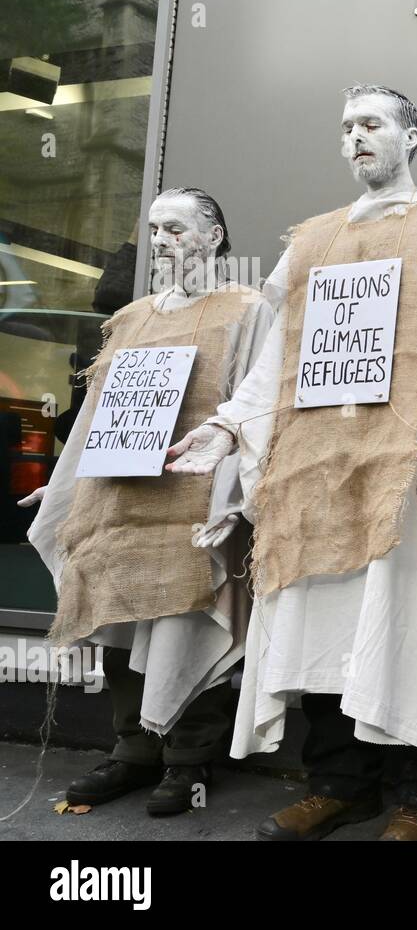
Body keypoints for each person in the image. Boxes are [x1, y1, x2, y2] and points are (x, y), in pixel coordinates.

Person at [166, 84, 417, 841]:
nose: (357, 136)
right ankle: (338, 783)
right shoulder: (313, 241)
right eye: (347, 126)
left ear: (410, 137)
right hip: (316, 464)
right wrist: (227, 428)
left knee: (403, 620)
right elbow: (279, 356)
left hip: (403, 463)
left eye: (374, 123)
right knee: (322, 618)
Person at [24, 187, 272, 816]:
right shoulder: (131, 318)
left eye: (176, 228)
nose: (161, 241)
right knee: (118, 615)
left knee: (187, 618)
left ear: (214, 236)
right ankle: (133, 749)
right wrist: (62, 486)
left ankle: (188, 760)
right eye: (154, 229)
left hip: (195, 497)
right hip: (121, 497)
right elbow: (96, 417)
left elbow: (260, 402)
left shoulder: (247, 309)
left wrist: (237, 496)